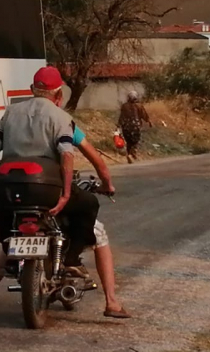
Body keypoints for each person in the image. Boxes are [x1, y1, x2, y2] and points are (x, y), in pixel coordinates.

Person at [0, 66, 101, 319]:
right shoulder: (60, 116)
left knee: (5, 227)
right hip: (46, 191)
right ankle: (72, 258)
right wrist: (64, 193)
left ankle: (8, 260)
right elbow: (66, 155)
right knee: (88, 204)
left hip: (12, 190)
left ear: (32, 90)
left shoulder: (10, 112)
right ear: (58, 94)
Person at [71, 125, 131, 319]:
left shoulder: (13, 117)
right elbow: (94, 158)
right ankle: (111, 301)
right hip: (56, 190)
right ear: (57, 98)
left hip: (19, 194)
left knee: (13, 244)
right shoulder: (62, 122)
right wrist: (107, 185)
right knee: (99, 236)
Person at [117, 90, 152, 163]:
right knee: (135, 141)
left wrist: (118, 125)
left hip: (125, 126)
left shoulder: (124, 106)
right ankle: (132, 154)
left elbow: (121, 117)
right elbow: (144, 115)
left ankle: (130, 155)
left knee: (128, 141)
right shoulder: (139, 105)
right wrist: (148, 121)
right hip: (136, 126)